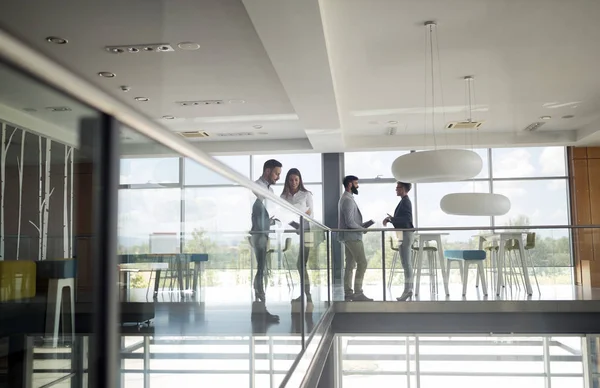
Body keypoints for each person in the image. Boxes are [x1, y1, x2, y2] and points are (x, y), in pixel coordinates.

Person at [250, 159, 282, 323]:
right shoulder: (258, 188)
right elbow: (256, 211)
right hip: (259, 233)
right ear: (268, 171)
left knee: (263, 267)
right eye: (276, 173)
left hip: (263, 231)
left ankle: (261, 306)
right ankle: (259, 305)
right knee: (262, 266)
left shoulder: (268, 190)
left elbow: (263, 213)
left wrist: (271, 220)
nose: (277, 177)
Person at [280, 168, 314, 302]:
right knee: (299, 264)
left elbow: (310, 214)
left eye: (296, 179)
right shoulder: (283, 197)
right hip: (291, 232)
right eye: (291, 179)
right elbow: (282, 215)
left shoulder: (306, 194)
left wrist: (299, 219)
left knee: (301, 264)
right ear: (287, 181)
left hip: (306, 231)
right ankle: (306, 294)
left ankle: (307, 294)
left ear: (300, 180)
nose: (293, 182)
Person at [338, 175, 373, 302]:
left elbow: (351, 222)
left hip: (350, 236)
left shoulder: (347, 198)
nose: (357, 186)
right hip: (352, 236)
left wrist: (361, 226)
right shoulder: (347, 199)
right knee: (362, 263)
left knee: (350, 264)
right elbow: (349, 222)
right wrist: (362, 229)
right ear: (349, 184)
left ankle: (348, 292)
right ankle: (358, 292)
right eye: (356, 183)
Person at [383, 181, 415, 301]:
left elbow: (407, 218)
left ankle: (408, 290)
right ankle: (408, 290)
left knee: (407, 264)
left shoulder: (406, 201)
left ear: (404, 189)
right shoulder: (403, 201)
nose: (396, 189)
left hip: (405, 234)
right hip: (402, 234)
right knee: (405, 263)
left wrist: (391, 219)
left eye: (398, 187)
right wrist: (392, 218)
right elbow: (403, 218)